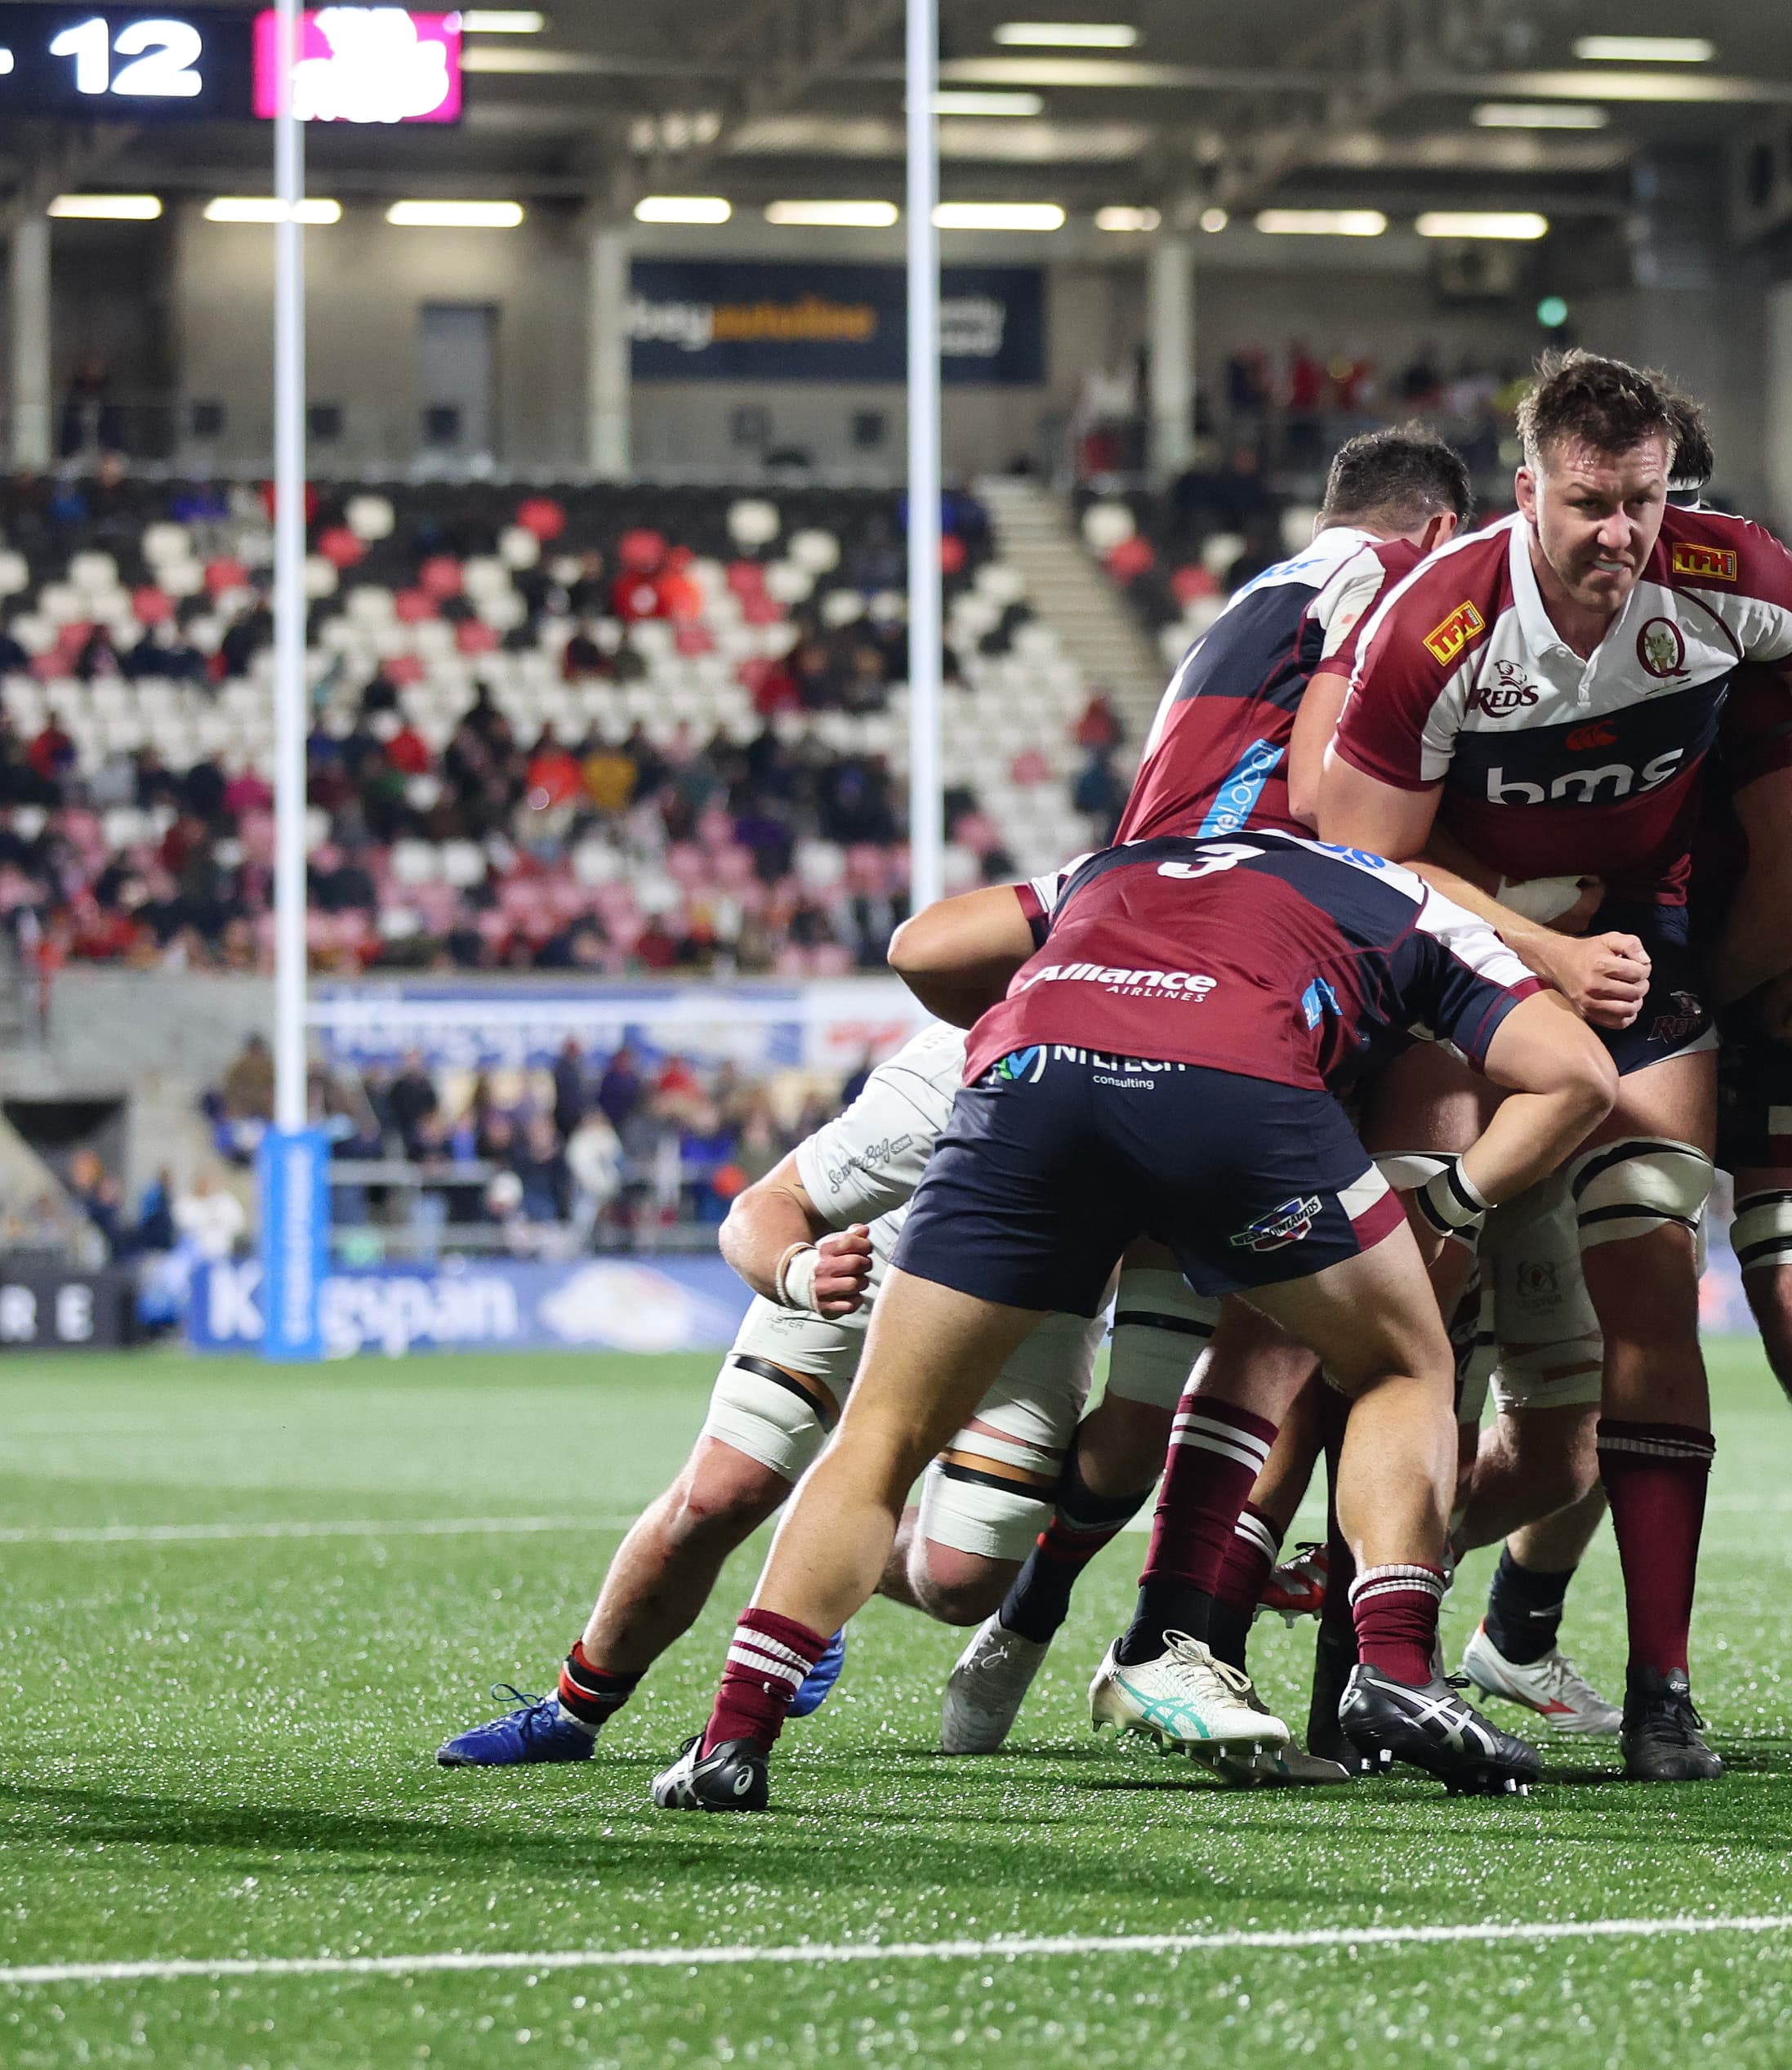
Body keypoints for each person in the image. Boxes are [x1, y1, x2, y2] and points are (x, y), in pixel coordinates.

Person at [652, 831, 1616, 1811]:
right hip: (1238, 1095)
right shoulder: (1414, 900)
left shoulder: (1130, 859)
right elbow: (1579, 1077)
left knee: (883, 1436)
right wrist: (1454, 1199)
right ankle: (1397, 1669)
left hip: (1035, 1082)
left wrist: (1037, 1021)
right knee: (1397, 1365)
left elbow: (922, 948)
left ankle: (734, 1737)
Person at [1321, 348, 1792, 1779]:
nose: (1622, 533)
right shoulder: (1440, 622)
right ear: (1526, 493)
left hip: (1647, 954)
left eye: (1643, 499)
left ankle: (1663, 1691)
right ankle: (1368, 1672)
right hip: (1456, 966)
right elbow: (1358, 858)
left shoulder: (1727, 570)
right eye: (1590, 502)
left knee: (1651, 1267)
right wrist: (1540, 963)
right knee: (1423, 1292)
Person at [898, 426, 1479, 1757]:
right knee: (1321, 1316)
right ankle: (1177, 1631)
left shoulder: (1250, 601)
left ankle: (1045, 1620)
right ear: (1437, 531)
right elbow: (1345, 822)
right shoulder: (1402, 589)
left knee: (1109, 1432)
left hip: (1089, 986)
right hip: (1236, 986)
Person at [435, 1021, 1124, 1769]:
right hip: (874, 1254)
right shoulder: (958, 1060)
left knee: (962, 1583)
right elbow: (759, 1211)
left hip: (1041, 1301)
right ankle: (571, 1713)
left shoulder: (1192, 1066)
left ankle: (817, 1540)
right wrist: (801, 1270)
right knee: (719, 1494)